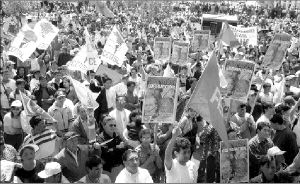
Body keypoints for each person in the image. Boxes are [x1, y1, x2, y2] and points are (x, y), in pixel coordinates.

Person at [98, 115, 127, 182]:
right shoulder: (100, 138)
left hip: (121, 167)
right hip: (109, 171)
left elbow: (125, 147)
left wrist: (121, 135)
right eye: (111, 125)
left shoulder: (117, 135)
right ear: (104, 126)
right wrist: (118, 147)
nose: (113, 127)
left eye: (114, 125)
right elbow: (107, 154)